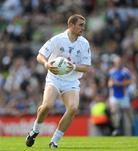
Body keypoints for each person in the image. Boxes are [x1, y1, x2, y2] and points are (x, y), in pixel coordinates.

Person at [26, 14, 91, 148]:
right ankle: (34, 131)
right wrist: (45, 64)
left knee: (73, 108)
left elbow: (86, 67)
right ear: (71, 25)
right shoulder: (57, 39)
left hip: (71, 81)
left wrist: (73, 67)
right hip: (54, 78)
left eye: (83, 25)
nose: (82, 28)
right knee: (47, 106)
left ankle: (54, 141)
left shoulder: (84, 43)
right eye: (80, 25)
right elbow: (40, 56)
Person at [108, 55, 134, 136]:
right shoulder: (111, 72)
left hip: (124, 96)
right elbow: (109, 82)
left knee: (128, 113)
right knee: (113, 111)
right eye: (117, 62)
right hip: (114, 95)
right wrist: (111, 84)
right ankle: (116, 128)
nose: (119, 63)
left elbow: (130, 81)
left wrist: (120, 84)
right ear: (114, 63)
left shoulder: (125, 71)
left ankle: (132, 127)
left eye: (119, 62)